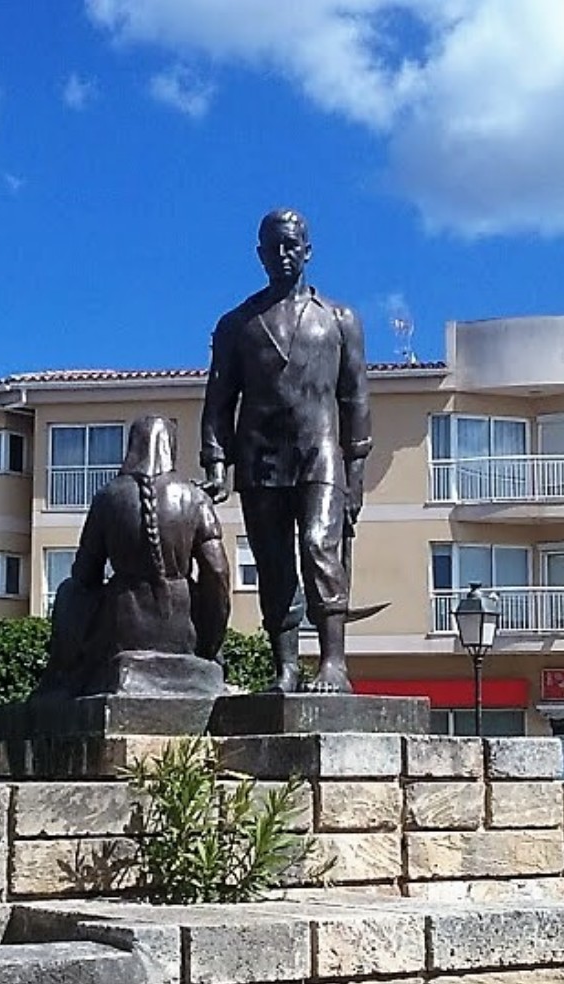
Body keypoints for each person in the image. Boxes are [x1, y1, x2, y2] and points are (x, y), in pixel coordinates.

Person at [201, 208, 372, 693]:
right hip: (259, 459)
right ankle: (287, 667)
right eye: (273, 247)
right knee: (273, 562)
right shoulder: (237, 324)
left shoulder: (339, 319)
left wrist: (356, 474)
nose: (282, 254)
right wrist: (216, 460)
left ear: (308, 250)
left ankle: (334, 663)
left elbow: (355, 398)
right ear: (259, 254)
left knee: (320, 547)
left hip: (320, 455)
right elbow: (219, 397)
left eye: (291, 245)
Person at [37, 415, 231, 697]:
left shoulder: (108, 497)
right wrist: (211, 640)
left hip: (122, 625)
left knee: (69, 592)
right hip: (184, 626)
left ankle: (62, 679)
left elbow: (85, 575)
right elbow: (217, 573)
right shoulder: (195, 497)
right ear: (170, 448)